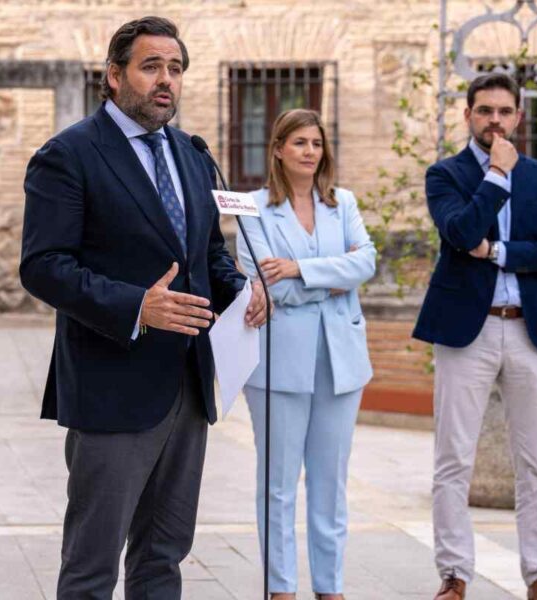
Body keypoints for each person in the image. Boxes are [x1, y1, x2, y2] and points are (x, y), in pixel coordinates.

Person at [19, 16, 268, 599]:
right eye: (151, 66)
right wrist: (137, 306)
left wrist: (242, 290)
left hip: (188, 385)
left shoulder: (191, 153)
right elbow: (43, 265)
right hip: (112, 388)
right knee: (92, 567)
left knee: (163, 558)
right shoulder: (68, 155)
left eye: (175, 69)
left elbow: (206, 252)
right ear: (114, 75)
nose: (166, 80)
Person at [413, 72, 537, 600]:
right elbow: (460, 232)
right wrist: (497, 175)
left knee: (536, 464)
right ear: (468, 115)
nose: (494, 120)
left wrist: (498, 252)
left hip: (529, 329)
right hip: (465, 334)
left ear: (518, 116)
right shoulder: (446, 174)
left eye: (503, 111)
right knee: (453, 459)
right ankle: (454, 574)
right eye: (484, 111)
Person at [236, 108, 376, 600]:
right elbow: (265, 285)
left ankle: (329, 588)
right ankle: (281, 588)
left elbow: (366, 262)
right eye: (299, 142)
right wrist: (333, 279)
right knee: (277, 483)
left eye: (316, 143)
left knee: (330, 482)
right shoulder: (252, 209)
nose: (310, 151)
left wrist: (298, 269)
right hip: (279, 362)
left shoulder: (344, 203)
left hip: (341, 362)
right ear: (277, 149)